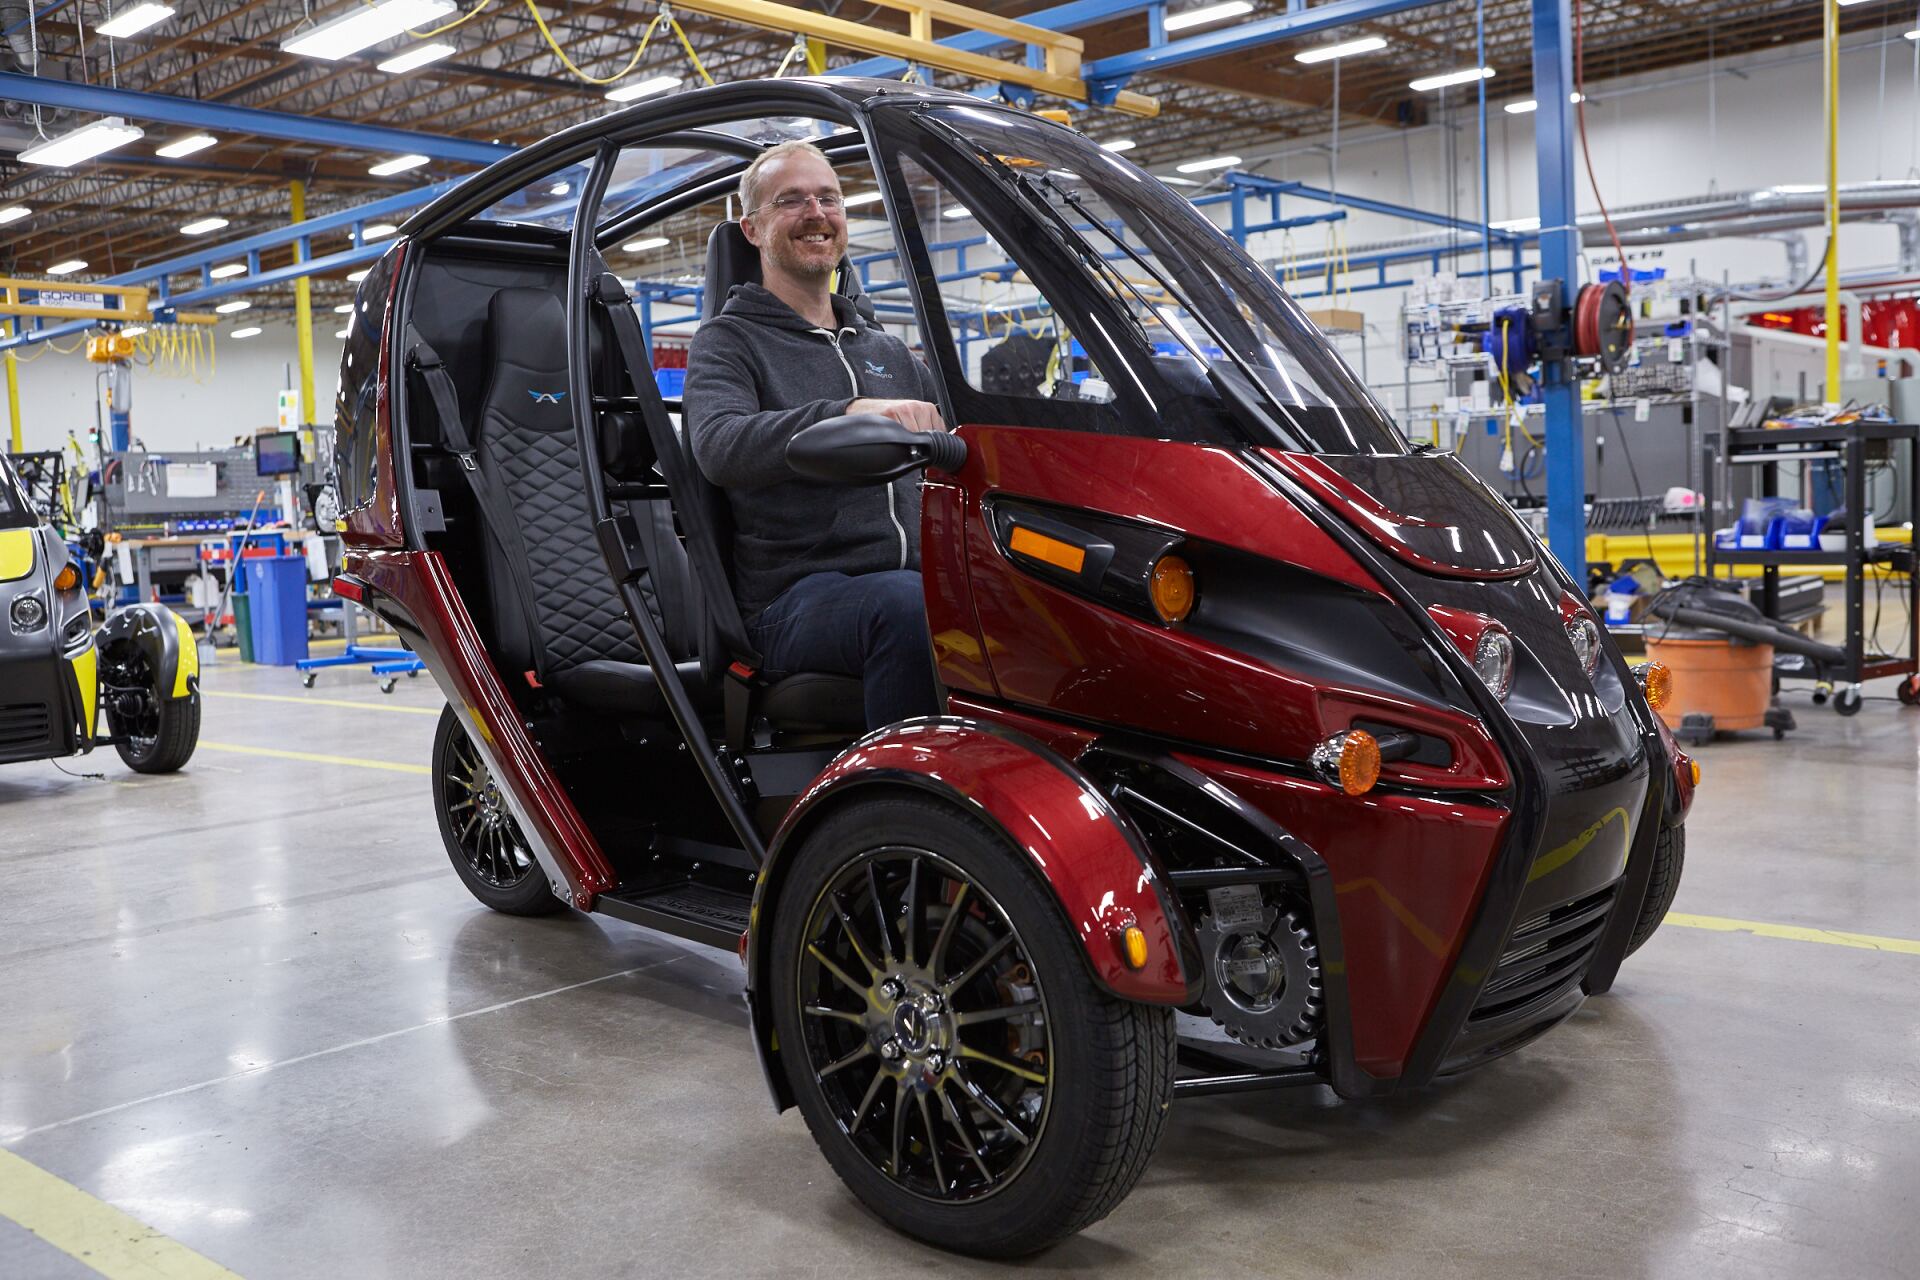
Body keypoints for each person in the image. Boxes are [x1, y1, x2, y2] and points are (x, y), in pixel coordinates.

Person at [684, 139, 945, 730]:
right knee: (908, 607)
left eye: (829, 198)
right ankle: (903, 810)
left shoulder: (887, 350)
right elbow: (721, 446)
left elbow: (962, 439)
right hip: (794, 599)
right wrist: (849, 413)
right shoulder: (728, 342)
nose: (816, 213)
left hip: (909, 577)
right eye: (791, 200)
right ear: (751, 229)